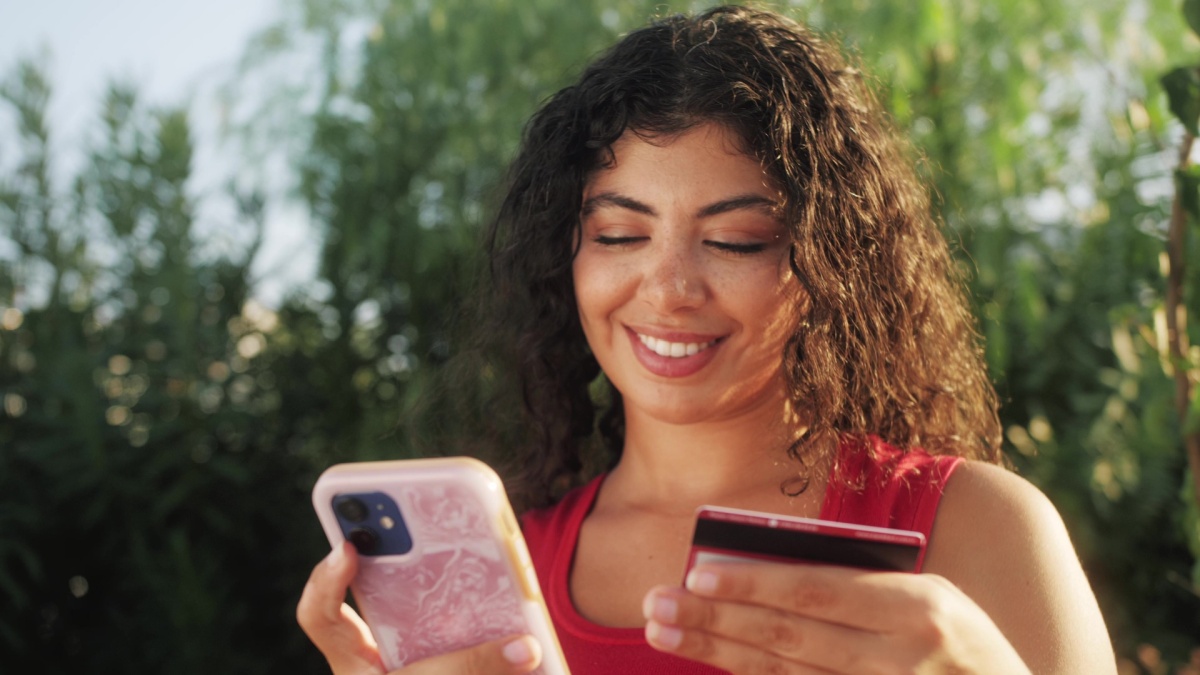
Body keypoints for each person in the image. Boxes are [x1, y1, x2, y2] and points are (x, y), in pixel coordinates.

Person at [297, 5, 1117, 674]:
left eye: (735, 241)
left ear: (829, 264)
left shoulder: (978, 527)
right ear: (568, 254)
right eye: (619, 234)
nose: (668, 288)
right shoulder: (506, 581)